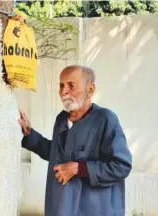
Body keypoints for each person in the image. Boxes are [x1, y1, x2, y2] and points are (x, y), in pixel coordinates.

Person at [18, 65, 132, 216]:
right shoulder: (61, 119)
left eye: (71, 85)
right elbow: (56, 154)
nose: (64, 92)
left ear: (90, 90)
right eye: (61, 85)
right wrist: (29, 134)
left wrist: (78, 168)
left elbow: (121, 166)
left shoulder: (105, 119)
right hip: (60, 206)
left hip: (94, 209)